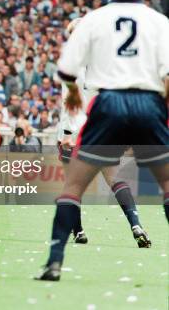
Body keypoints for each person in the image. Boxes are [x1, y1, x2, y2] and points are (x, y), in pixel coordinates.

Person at [37, 0, 169, 282]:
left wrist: (71, 92)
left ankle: (54, 261)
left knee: (73, 186)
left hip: (107, 102)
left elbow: (66, 71)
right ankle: (137, 223)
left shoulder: (94, 20)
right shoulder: (159, 22)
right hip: (149, 102)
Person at [56, 17, 150, 247]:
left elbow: (70, 101)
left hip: (77, 132)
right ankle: (135, 223)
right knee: (116, 179)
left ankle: (78, 232)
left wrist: (67, 132)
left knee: (72, 185)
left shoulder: (70, 64)